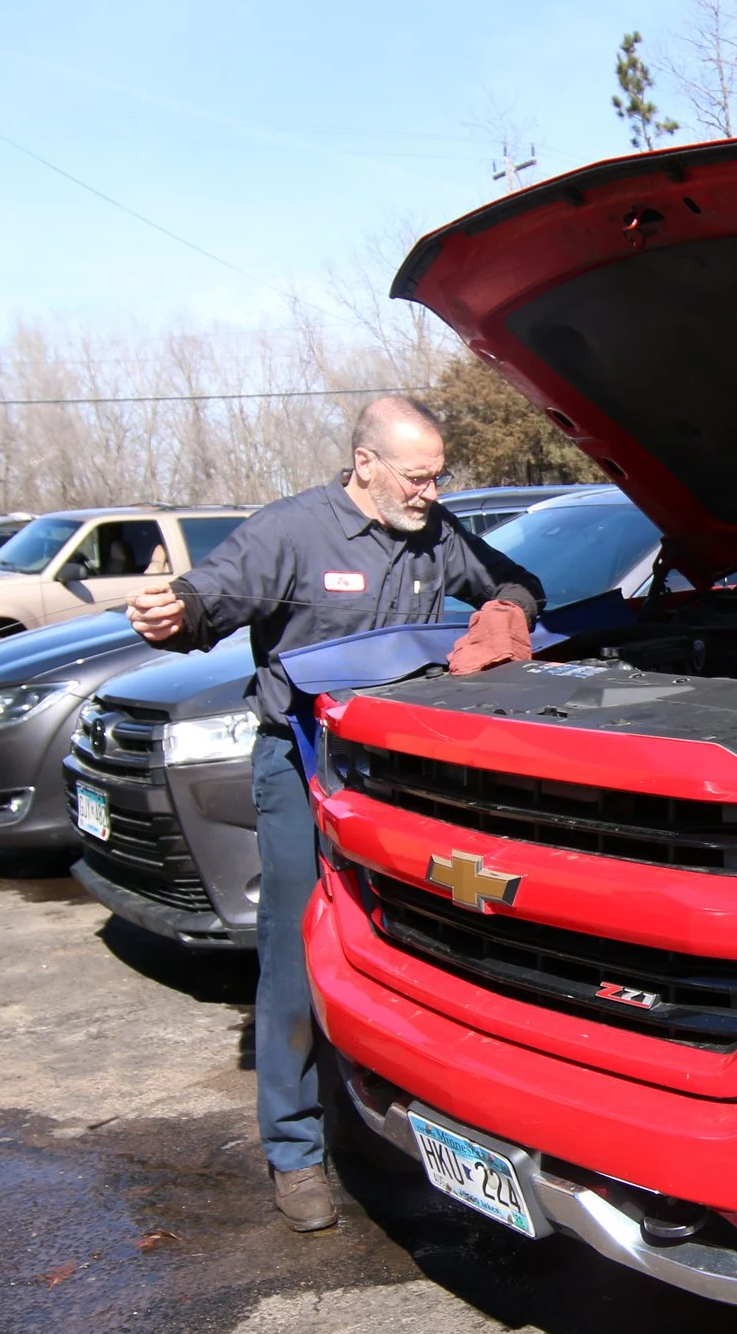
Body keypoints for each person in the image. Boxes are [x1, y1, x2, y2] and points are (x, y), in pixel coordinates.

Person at [127, 395, 543, 1231]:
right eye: (418, 476)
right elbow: (209, 597)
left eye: (438, 476)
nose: (432, 492)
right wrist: (173, 614)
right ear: (365, 464)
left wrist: (509, 611)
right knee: (294, 942)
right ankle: (295, 1152)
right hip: (303, 766)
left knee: (415, 940)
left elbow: (514, 578)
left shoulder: (435, 531)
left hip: (409, 779)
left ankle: (416, 1117)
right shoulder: (291, 532)